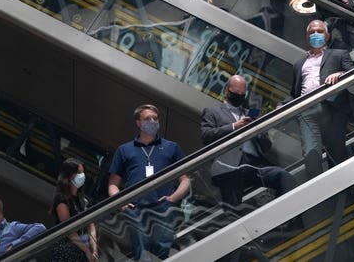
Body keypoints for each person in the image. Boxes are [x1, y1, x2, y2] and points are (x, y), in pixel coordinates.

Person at [108, 104, 190, 261]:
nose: (152, 121)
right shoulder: (124, 150)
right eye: (147, 119)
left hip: (163, 208)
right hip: (135, 209)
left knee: (163, 251)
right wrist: (121, 203)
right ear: (138, 123)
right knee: (141, 253)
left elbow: (185, 180)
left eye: (155, 118)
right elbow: (113, 184)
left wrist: (173, 198)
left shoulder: (171, 147)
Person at [201, 75, 295, 210]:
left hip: (254, 166)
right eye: (236, 93)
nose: (239, 96)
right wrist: (234, 126)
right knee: (233, 207)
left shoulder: (249, 114)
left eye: (242, 94)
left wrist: (258, 129)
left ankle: (286, 219)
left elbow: (266, 146)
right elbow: (206, 135)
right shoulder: (213, 112)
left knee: (284, 177)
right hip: (229, 166)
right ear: (227, 90)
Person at [289, 20, 354, 180]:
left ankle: (342, 193)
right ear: (307, 37)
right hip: (306, 112)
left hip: (331, 109)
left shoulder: (339, 54)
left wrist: (339, 74)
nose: (315, 34)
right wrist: (281, 105)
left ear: (327, 35)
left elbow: (353, 72)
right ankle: (318, 196)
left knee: (337, 154)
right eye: (312, 32)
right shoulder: (299, 64)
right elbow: (294, 93)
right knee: (311, 155)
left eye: (319, 31)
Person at [50, 158, 98, 262]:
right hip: (66, 248)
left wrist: (94, 249)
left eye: (83, 172)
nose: (82, 176)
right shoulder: (62, 200)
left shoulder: (82, 199)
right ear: (69, 175)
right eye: (79, 172)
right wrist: (86, 251)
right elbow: (69, 230)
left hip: (83, 248)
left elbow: (91, 225)